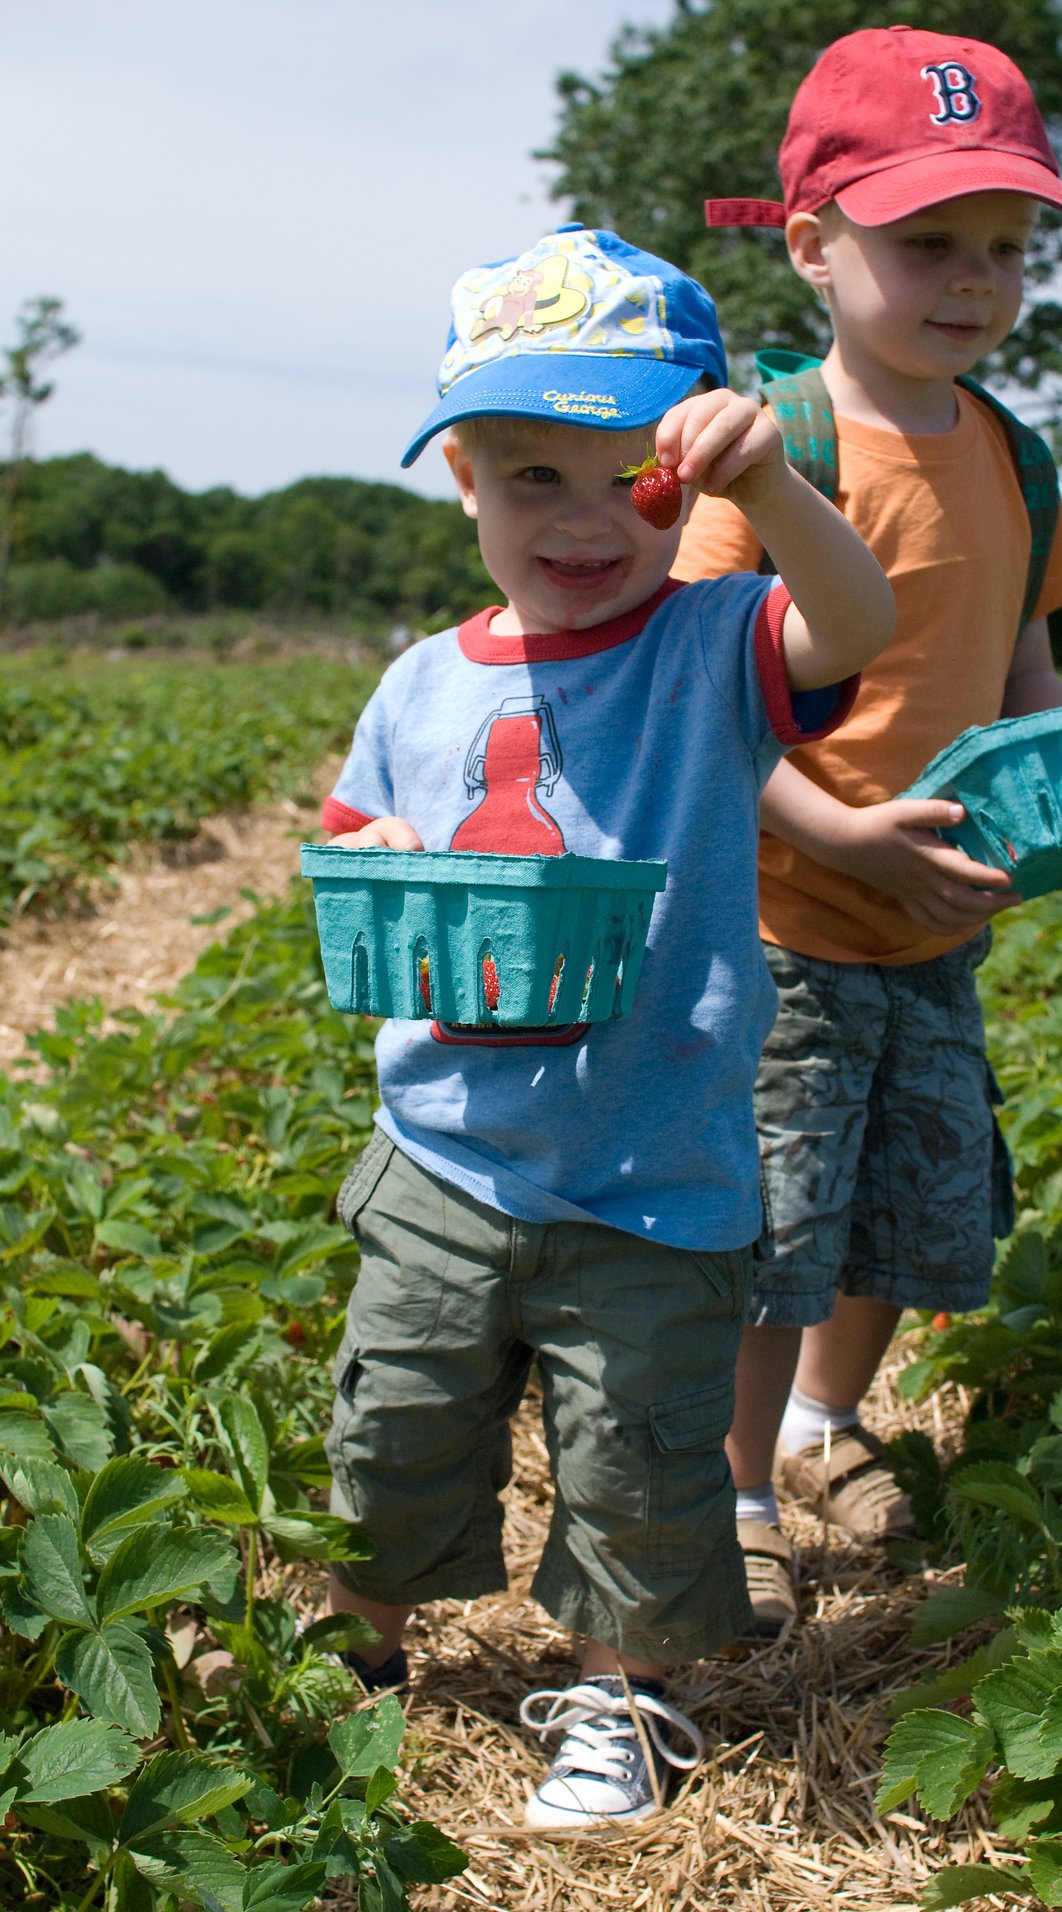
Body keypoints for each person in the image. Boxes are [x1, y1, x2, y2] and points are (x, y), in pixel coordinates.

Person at [316, 223, 894, 1830]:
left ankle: (629, 1695)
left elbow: (856, 626)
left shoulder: (712, 646)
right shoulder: (420, 681)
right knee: (396, 1416)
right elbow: (362, 828)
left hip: (652, 1167)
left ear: (688, 480)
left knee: (639, 1457)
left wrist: (775, 491)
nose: (578, 522)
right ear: (465, 489)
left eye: (625, 479)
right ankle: (359, 1648)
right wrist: (365, 859)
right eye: (528, 479)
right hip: (445, 1150)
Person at [674, 25, 1062, 1639]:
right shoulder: (767, 451)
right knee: (772, 1221)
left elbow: (1026, 665)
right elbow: (701, 714)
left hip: (941, 918)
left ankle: (822, 1427)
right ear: (813, 246)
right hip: (783, 920)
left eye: (1006, 247)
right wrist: (850, 838)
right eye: (927, 240)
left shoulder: (1015, 454)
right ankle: (735, 1487)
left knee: (909, 1196)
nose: (974, 278)